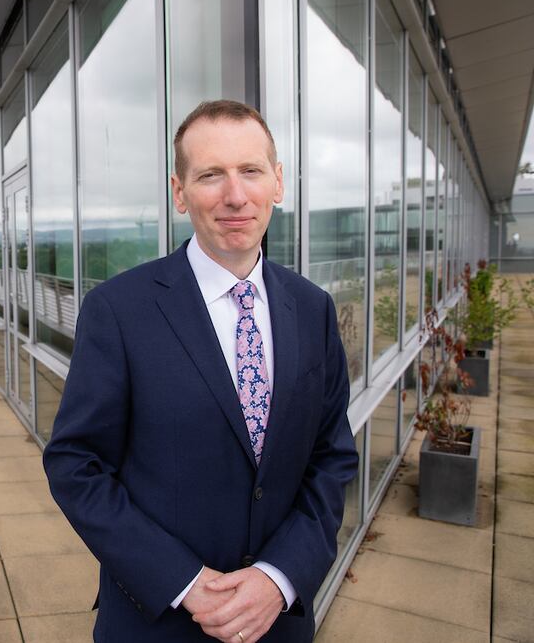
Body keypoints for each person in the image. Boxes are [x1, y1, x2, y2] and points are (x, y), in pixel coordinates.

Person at [43, 100, 358, 642]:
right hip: (159, 622)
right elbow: (76, 464)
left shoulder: (313, 308)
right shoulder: (119, 311)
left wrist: (278, 577)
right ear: (179, 192)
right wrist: (185, 583)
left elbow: (331, 459)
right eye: (211, 175)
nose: (235, 195)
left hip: (277, 625)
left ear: (277, 183)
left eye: (251, 171)